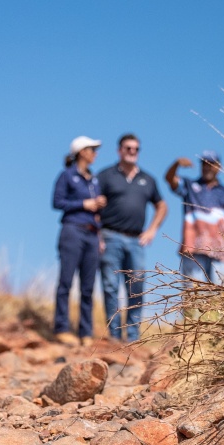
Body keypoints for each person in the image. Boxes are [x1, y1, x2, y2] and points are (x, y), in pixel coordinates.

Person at [97, 133, 168, 342]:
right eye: (128, 148)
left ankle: (133, 336)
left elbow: (162, 206)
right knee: (110, 286)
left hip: (136, 240)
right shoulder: (105, 176)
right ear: (119, 150)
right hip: (109, 236)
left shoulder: (148, 180)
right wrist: (97, 235)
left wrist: (152, 229)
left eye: (136, 149)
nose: (132, 152)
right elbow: (94, 204)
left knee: (136, 286)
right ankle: (114, 335)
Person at [51, 136, 106, 345]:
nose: (95, 153)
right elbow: (57, 202)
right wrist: (85, 204)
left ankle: (85, 332)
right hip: (73, 230)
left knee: (88, 286)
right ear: (82, 152)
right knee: (66, 281)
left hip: (92, 234)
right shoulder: (66, 176)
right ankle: (62, 328)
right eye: (92, 149)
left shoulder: (93, 180)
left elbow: (96, 211)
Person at [164, 149, 224, 283]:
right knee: (194, 296)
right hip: (193, 250)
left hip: (219, 252)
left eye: (211, 164)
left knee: (218, 296)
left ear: (218, 167)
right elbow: (169, 179)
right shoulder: (189, 186)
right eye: (204, 164)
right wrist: (176, 164)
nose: (207, 167)